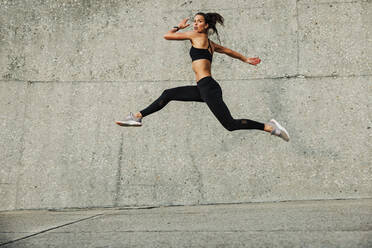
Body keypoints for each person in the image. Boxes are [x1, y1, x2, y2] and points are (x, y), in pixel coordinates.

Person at [116, 12, 289, 142]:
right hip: (203, 87)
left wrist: (178, 27)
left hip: (208, 87)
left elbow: (167, 35)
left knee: (230, 124)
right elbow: (228, 50)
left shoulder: (197, 36)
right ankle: (137, 116)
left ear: (206, 26)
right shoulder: (210, 44)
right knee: (168, 94)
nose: (195, 24)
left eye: (199, 22)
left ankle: (269, 127)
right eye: (195, 22)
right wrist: (245, 59)